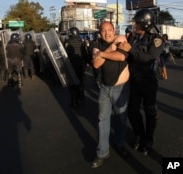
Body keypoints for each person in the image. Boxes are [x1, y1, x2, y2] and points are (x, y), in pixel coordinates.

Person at [118, 8, 164, 156]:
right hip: (134, 81)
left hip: (149, 82)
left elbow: (149, 58)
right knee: (132, 110)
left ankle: (148, 139)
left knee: (150, 111)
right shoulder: (133, 38)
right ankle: (139, 134)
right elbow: (128, 55)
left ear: (145, 23)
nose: (135, 25)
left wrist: (130, 50)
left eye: (137, 23)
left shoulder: (157, 39)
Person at [91, 21, 130, 168]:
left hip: (121, 88)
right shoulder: (96, 45)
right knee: (102, 120)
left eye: (109, 30)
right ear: (99, 32)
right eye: (103, 30)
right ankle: (102, 152)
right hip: (105, 88)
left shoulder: (122, 40)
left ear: (114, 30)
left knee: (121, 119)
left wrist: (102, 55)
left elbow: (120, 57)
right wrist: (111, 47)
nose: (106, 33)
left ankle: (119, 144)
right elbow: (96, 64)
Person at [64, 27, 85, 108]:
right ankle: (82, 99)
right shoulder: (81, 42)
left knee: (72, 85)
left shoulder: (68, 42)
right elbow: (85, 54)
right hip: (80, 66)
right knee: (81, 83)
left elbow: (65, 55)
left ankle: (74, 102)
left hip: (72, 66)